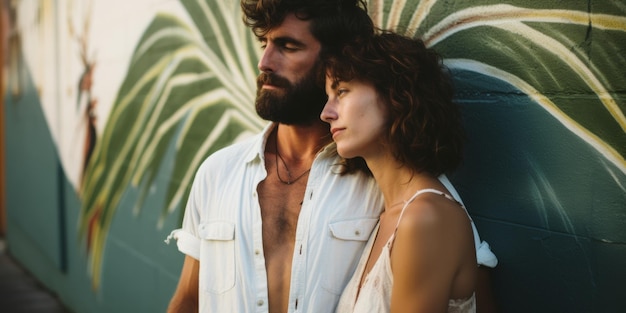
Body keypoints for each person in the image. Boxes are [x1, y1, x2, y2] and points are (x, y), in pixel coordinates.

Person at [166, 0, 497, 312]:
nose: (264, 62)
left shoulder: (398, 185)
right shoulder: (218, 172)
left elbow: (470, 297)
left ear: (335, 61)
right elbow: (187, 302)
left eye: (288, 46)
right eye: (264, 44)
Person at [321, 31, 482, 312]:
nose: (326, 112)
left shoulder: (426, 217)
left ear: (394, 93)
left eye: (341, 91)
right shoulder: (387, 216)